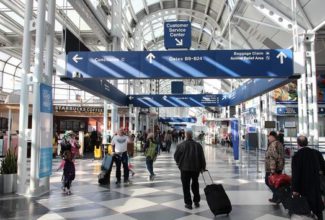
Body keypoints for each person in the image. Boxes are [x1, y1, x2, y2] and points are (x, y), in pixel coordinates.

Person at [291, 135, 325, 220]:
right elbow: (323, 168)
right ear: (307, 142)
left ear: (298, 144)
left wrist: (295, 189)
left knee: (305, 208)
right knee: (317, 206)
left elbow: (296, 174)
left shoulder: (297, 156)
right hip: (316, 186)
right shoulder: (316, 153)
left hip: (303, 188)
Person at [174, 129, 206, 210]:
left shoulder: (181, 145)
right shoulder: (198, 145)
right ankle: (196, 201)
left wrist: (179, 163)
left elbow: (176, 156)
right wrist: (203, 167)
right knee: (195, 184)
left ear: (185, 135)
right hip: (196, 168)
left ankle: (188, 203)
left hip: (184, 168)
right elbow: (202, 157)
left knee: (186, 186)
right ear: (192, 135)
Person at [264, 130, 285, 203]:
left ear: (272, 137)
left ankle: (279, 196)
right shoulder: (279, 143)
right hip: (279, 167)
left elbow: (273, 158)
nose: (268, 138)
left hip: (272, 168)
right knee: (275, 183)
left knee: (268, 181)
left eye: (269, 137)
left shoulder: (273, 145)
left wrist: (272, 170)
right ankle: (275, 198)